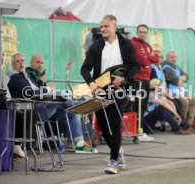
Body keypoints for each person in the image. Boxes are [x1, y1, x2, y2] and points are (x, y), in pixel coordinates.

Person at [81, 14, 139, 174]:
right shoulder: (96, 46)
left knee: (115, 123)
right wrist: (91, 83)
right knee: (103, 126)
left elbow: (135, 66)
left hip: (119, 90)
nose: (103, 29)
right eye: (101, 27)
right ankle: (118, 151)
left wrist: (124, 78)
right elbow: (84, 68)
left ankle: (113, 161)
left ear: (114, 26)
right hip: (100, 91)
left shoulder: (126, 44)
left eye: (106, 26)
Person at [8, 53, 96, 154]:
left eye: (22, 61)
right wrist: (48, 89)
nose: (21, 63)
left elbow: (37, 91)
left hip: (43, 104)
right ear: (13, 64)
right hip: (34, 109)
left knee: (72, 112)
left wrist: (48, 90)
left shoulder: (25, 76)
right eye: (17, 62)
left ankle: (79, 144)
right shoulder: (15, 77)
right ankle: (77, 105)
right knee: (60, 94)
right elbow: (30, 92)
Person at [131, 24, 160, 141]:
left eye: (144, 32)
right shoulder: (133, 43)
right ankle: (139, 132)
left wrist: (148, 57)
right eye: (140, 32)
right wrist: (149, 58)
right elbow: (141, 59)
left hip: (146, 79)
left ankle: (140, 131)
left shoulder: (147, 45)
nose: (142, 34)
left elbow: (156, 59)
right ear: (137, 33)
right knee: (137, 106)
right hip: (138, 80)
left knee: (143, 106)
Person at [162, 51, 195, 134]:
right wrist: (181, 79)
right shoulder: (166, 68)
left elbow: (186, 76)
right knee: (184, 102)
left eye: (175, 57)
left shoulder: (176, 67)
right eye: (172, 57)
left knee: (194, 100)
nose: (174, 59)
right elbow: (176, 81)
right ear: (167, 57)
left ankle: (189, 124)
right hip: (171, 93)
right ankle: (182, 124)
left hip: (180, 91)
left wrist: (181, 78)